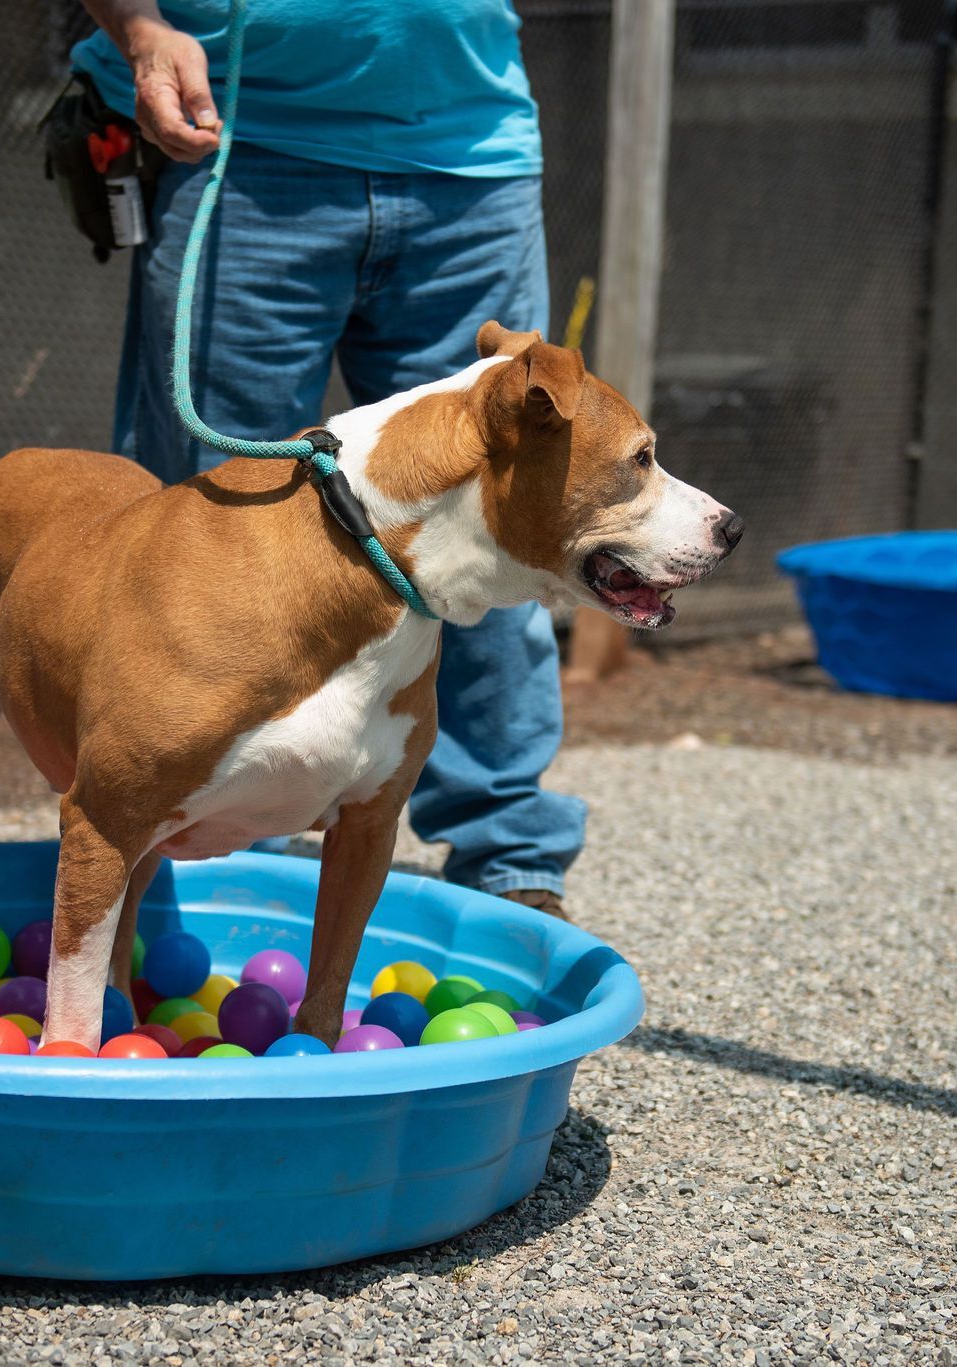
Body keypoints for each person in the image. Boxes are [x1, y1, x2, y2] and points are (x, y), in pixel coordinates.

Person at [73, 0, 584, 916]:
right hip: (239, 148)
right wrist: (141, 33)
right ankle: (226, 860)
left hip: (471, 164)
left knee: (499, 531)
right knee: (211, 548)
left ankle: (509, 855)